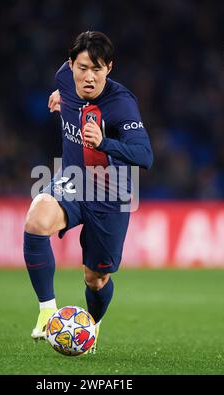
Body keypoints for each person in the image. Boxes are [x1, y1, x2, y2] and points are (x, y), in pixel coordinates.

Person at [23, 31, 153, 354]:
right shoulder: (64, 78)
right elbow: (67, 86)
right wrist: (61, 94)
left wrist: (104, 142)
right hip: (73, 180)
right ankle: (46, 313)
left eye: (97, 69)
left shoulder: (122, 104)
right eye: (82, 68)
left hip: (111, 193)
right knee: (37, 217)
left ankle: (90, 328)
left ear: (109, 68)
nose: (89, 77)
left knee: (96, 279)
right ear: (71, 65)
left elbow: (145, 156)